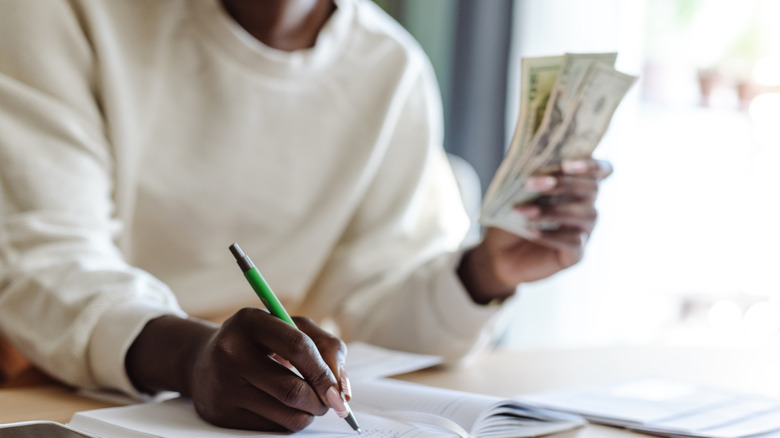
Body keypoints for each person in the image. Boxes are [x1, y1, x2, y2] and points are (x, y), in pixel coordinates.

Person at [0, 0, 612, 432]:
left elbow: (375, 311)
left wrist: (482, 273)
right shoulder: (63, 13)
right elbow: (43, 263)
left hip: (263, 411)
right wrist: (192, 358)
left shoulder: (390, 69)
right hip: (58, 397)